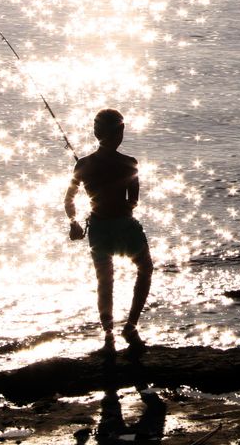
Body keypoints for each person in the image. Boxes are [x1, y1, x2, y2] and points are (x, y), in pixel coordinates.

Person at [64, 108, 153, 352]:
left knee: (105, 281)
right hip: (124, 226)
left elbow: (69, 200)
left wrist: (74, 222)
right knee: (145, 269)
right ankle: (131, 326)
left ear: (97, 133)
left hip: (98, 228)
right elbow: (133, 201)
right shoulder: (129, 163)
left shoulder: (83, 164)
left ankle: (108, 335)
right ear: (120, 132)